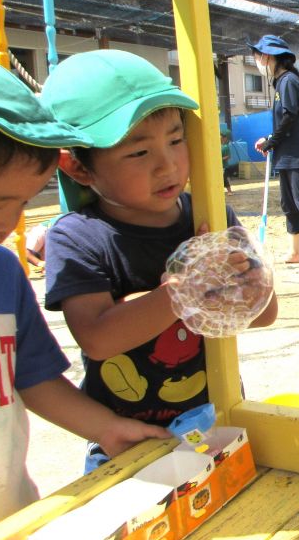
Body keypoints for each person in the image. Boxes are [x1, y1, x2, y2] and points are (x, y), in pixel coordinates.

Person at [0, 51, 170, 540]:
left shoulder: (0, 272)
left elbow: (34, 378)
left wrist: (107, 428)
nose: (9, 224)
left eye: (23, 204)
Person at [41, 50, 278, 472]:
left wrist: (249, 279)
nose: (168, 164)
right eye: (138, 153)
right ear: (78, 168)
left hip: (215, 420)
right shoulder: (76, 237)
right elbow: (97, 337)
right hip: (127, 437)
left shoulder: (207, 214)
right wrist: (184, 288)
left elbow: (263, 314)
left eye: (175, 139)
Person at [250, 35, 299, 272]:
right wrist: (270, 140)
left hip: (298, 156)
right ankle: (295, 252)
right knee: (289, 205)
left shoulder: (289, 81)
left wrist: (271, 141)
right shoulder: (280, 83)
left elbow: (290, 116)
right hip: (285, 156)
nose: (256, 59)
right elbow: (284, 120)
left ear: (269, 56)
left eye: (258, 54)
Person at [220, 122, 235, 196]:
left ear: (226, 138)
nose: (220, 137)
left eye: (222, 136)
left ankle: (229, 191)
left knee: (224, 179)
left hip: (224, 166)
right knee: (220, 179)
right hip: (219, 166)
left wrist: (221, 159)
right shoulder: (219, 145)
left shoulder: (226, 146)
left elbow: (228, 156)